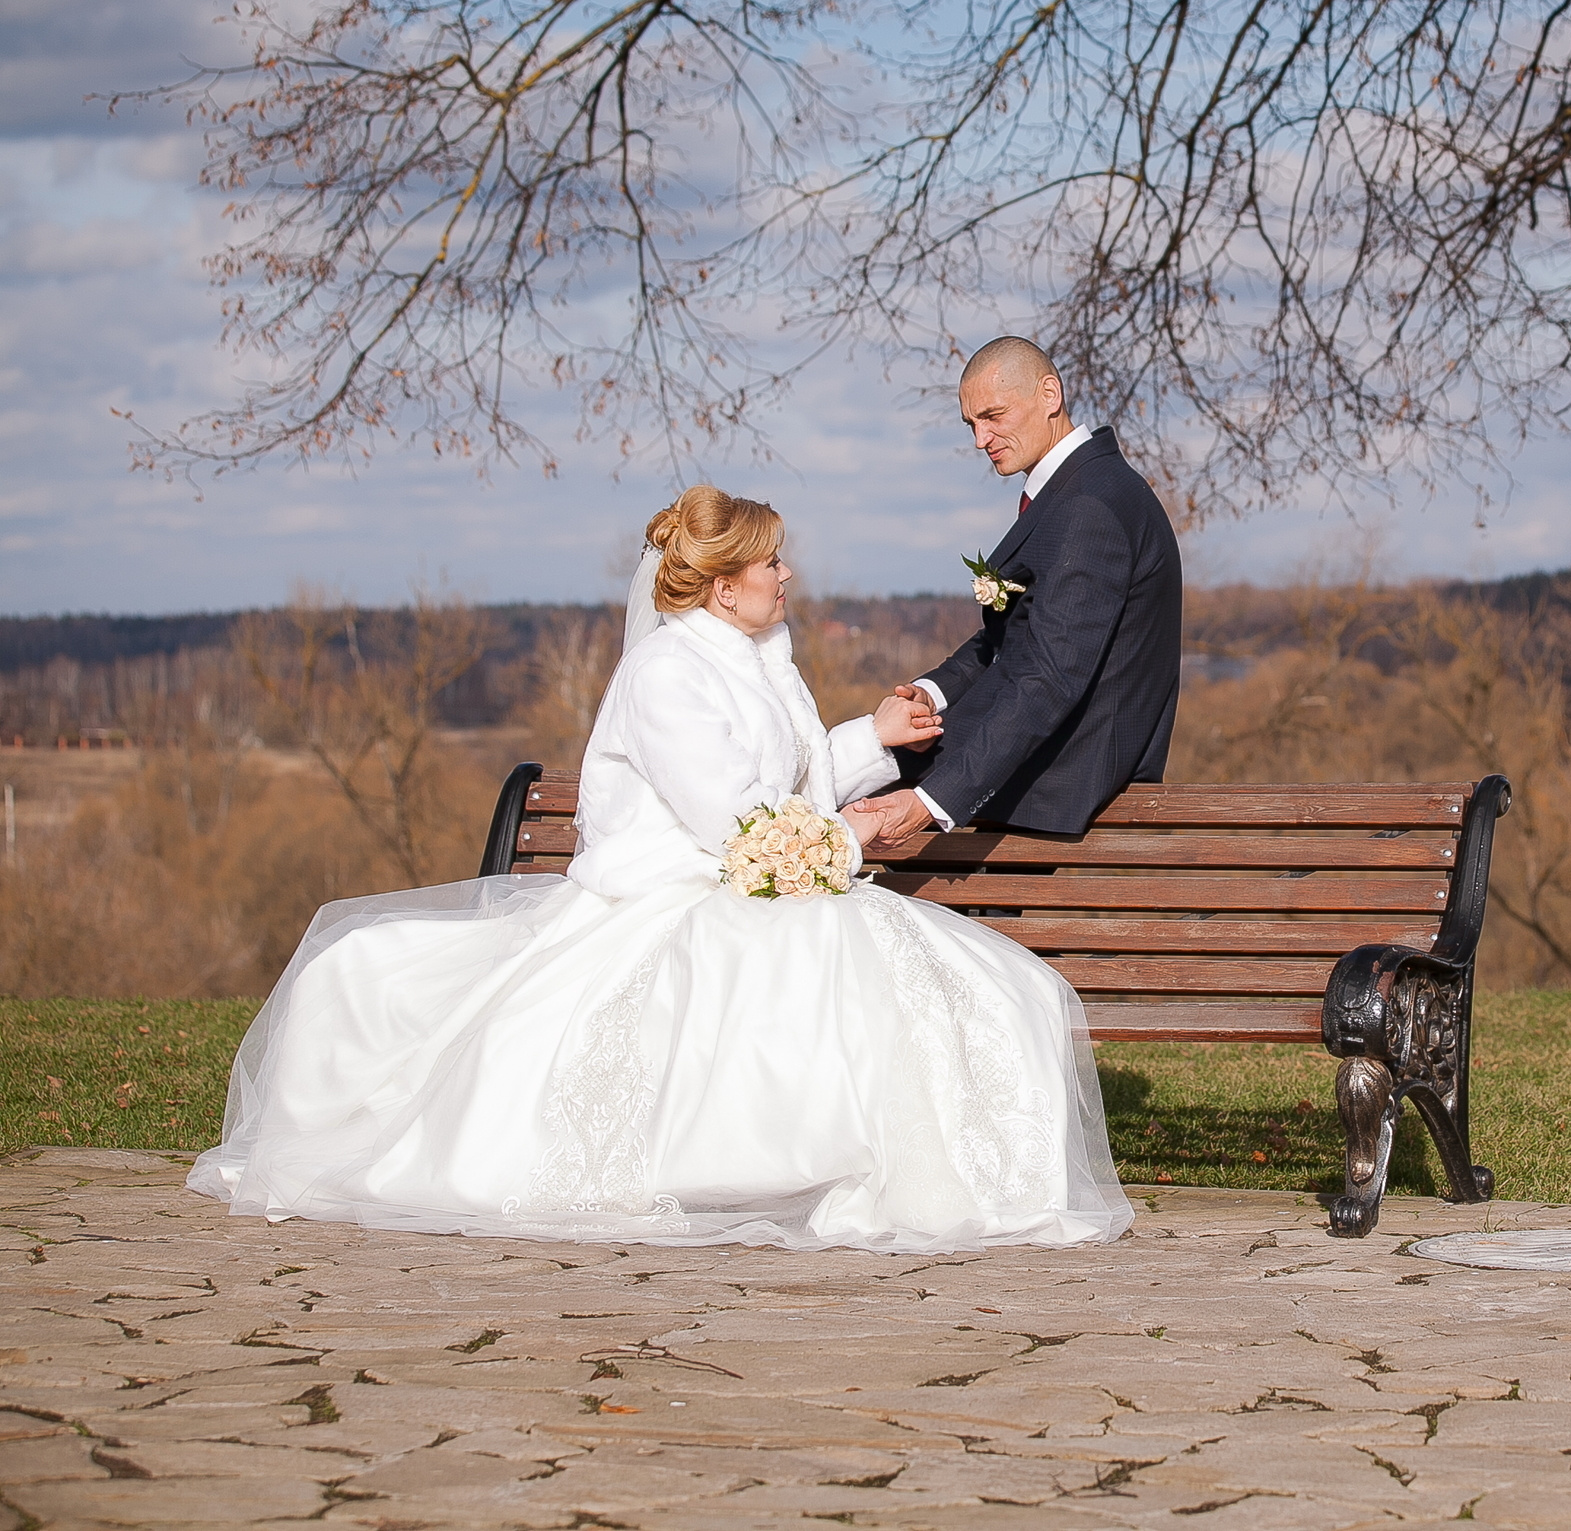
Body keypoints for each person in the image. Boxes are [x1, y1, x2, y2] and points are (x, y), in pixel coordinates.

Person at [187, 487, 1131, 1254]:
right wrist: (846, 842)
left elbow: (780, 781)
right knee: (831, 964)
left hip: (743, 876)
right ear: (724, 586)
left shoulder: (759, 657)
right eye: (770, 561)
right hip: (672, 894)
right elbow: (737, 824)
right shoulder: (667, 674)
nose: (786, 573)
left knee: (964, 979)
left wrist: (871, 740)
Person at [852, 337, 1181, 845]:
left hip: (1063, 772)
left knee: (845, 795)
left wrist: (933, 801)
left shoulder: (1092, 504)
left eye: (993, 416)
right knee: (855, 770)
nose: (981, 439)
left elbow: (1051, 676)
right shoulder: (1074, 491)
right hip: (1033, 746)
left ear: (1050, 395)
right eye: (972, 424)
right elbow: (1010, 640)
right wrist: (934, 694)